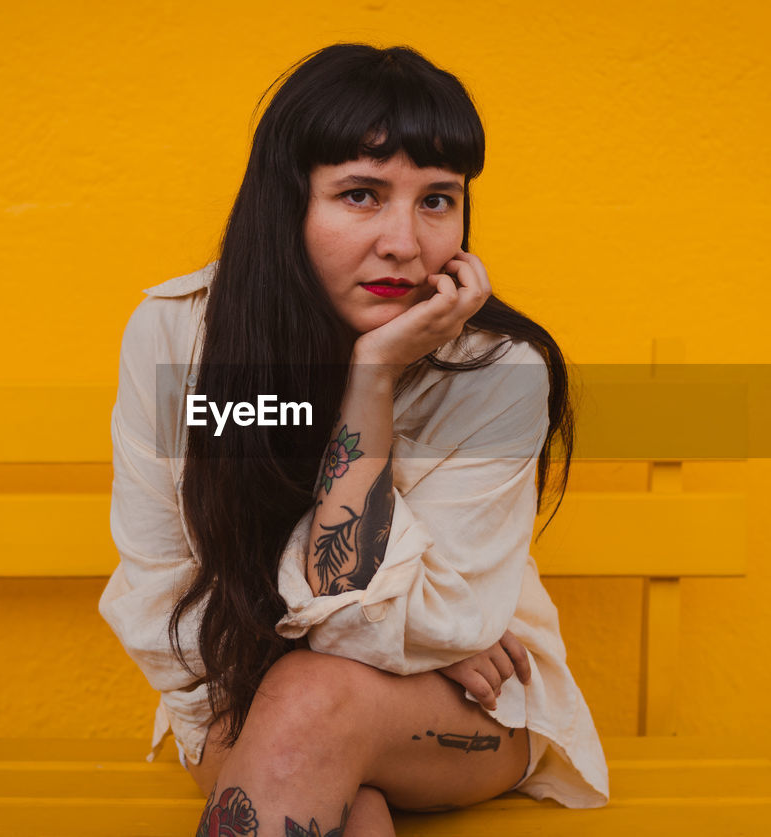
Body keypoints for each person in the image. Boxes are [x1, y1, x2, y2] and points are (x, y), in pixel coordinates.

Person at [98, 43, 609, 836]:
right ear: (286, 203)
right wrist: (407, 633)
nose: (405, 242)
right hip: (234, 693)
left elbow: (441, 625)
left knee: (312, 700)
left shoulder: (499, 372)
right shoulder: (179, 343)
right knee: (346, 799)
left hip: (466, 713)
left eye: (438, 200)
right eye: (362, 194)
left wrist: (372, 375)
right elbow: (158, 592)